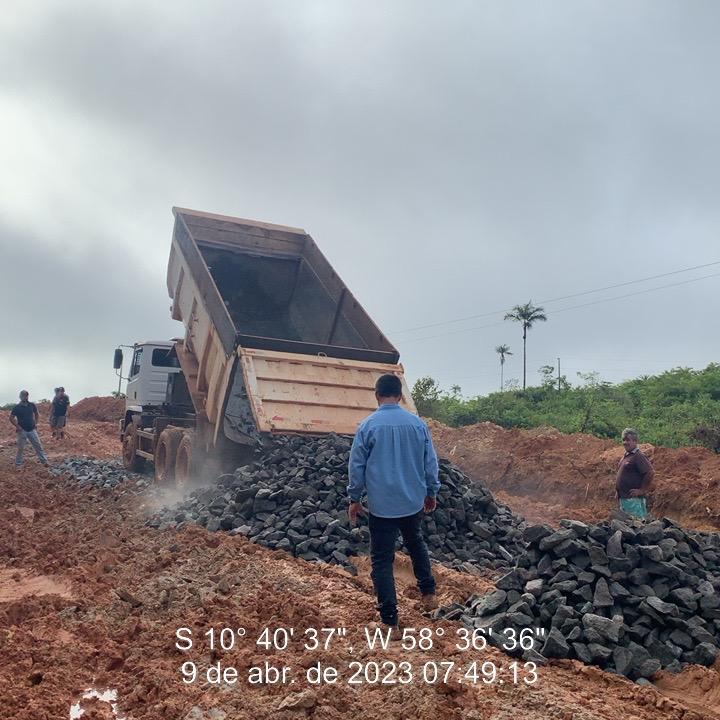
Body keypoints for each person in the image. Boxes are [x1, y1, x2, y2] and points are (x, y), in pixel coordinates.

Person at [347, 373, 441, 634]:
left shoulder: (368, 426)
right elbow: (430, 463)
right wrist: (431, 492)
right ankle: (429, 595)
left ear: (377, 395)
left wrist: (354, 498)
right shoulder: (418, 425)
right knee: (416, 543)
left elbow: (356, 467)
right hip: (412, 501)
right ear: (400, 396)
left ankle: (390, 622)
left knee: (381, 560)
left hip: (381, 506)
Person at [615, 427, 655, 519]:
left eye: (628, 440)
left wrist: (642, 490)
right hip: (625, 498)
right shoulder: (627, 456)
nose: (625, 442)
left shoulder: (638, 456)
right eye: (623, 440)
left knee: (636, 526)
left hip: (633, 500)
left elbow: (650, 472)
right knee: (627, 527)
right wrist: (618, 491)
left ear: (635, 441)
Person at [10, 390, 49, 471]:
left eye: (26, 395)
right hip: (22, 431)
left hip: (32, 429)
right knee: (21, 448)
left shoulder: (32, 405)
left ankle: (44, 461)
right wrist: (17, 426)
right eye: (23, 395)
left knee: (38, 446)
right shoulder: (17, 407)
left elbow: (37, 414)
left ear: (28, 396)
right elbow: (11, 418)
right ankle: (18, 465)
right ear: (20, 397)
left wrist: (36, 423)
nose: (25, 397)